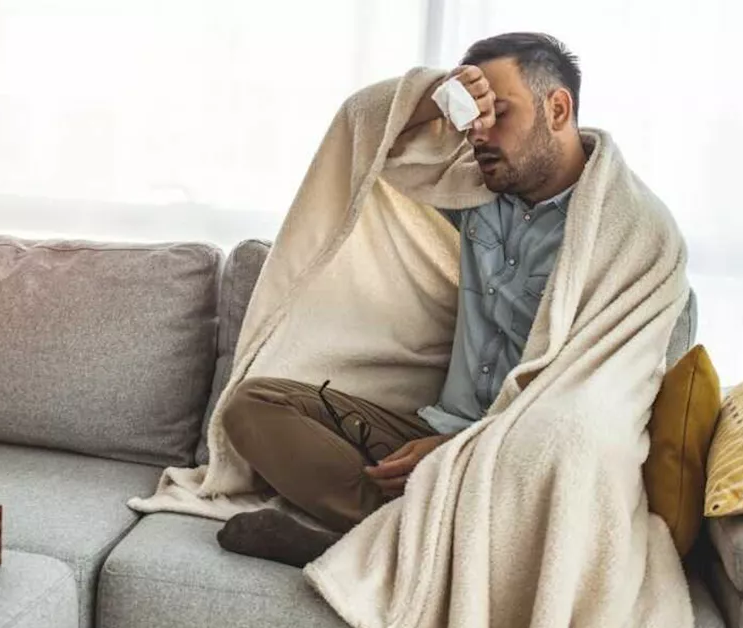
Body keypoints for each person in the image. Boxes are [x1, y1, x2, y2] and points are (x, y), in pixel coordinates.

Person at [216, 32, 591, 567]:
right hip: (426, 429)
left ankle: (379, 545)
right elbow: (367, 133)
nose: (480, 134)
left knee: (542, 504)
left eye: (499, 112)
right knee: (253, 408)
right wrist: (441, 93)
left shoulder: (612, 233)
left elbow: (585, 412)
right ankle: (397, 539)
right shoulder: (478, 195)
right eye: (474, 118)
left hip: (514, 453)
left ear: (557, 108)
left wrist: (459, 451)